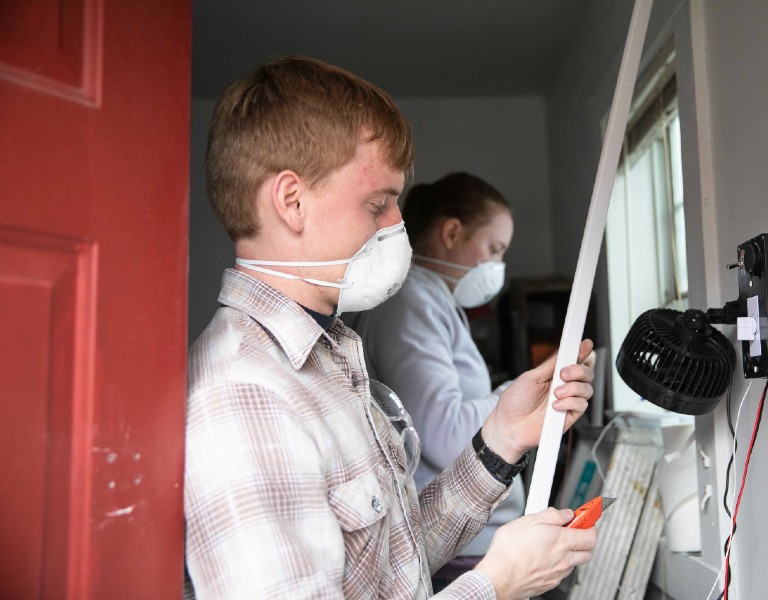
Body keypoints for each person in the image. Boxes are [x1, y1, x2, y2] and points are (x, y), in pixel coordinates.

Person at [184, 55, 598, 600]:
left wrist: (502, 436)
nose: (398, 226)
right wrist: (495, 585)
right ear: (292, 201)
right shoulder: (246, 393)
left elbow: (392, 565)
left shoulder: (329, 356)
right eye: (377, 204)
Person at [346, 173, 523, 589]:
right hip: (457, 548)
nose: (498, 267)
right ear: (451, 232)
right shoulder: (411, 301)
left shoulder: (432, 299)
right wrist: (515, 397)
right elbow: (443, 433)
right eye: (494, 250)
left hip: (468, 538)